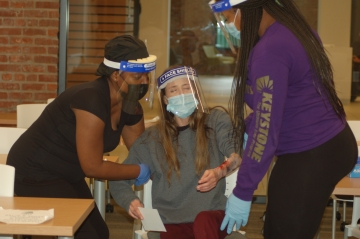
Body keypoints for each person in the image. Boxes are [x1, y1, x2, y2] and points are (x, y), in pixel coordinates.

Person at [208, 0, 359, 238]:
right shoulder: (294, 29)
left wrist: (244, 191)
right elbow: (283, 99)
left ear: (245, 10)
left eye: (229, 17)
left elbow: (266, 129)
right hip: (332, 143)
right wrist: (249, 127)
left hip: (312, 153)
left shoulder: (270, 49)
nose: (230, 25)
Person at [6, 35, 156, 239]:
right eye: (137, 77)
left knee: (99, 233)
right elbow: (92, 167)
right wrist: (137, 170)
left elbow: (142, 152)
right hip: (35, 172)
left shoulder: (130, 106)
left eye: (146, 76)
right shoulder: (90, 100)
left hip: (68, 172)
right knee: (87, 234)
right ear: (115, 75)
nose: (144, 82)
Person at [109, 66, 247, 239]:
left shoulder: (215, 120)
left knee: (203, 221)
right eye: (174, 90)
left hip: (211, 215)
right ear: (165, 99)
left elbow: (237, 153)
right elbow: (118, 179)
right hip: (170, 222)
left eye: (187, 87)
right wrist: (131, 202)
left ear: (196, 91)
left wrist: (220, 172)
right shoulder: (151, 139)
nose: (182, 94)